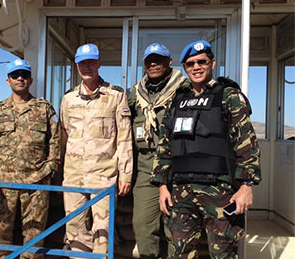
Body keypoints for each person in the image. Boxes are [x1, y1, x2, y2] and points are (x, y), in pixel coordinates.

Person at [151, 40, 261, 258]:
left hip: (219, 190)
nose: (196, 67)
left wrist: (246, 185)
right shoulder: (177, 99)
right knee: (179, 252)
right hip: (181, 192)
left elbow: (246, 142)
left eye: (202, 62)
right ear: (184, 68)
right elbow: (165, 145)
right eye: (190, 64)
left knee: (223, 253)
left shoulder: (229, 96)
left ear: (212, 63)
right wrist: (162, 185)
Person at [0, 59, 60, 259]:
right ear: (8, 81)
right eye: (15, 75)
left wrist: (51, 167)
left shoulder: (44, 109)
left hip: (36, 183)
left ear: (30, 80)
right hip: (3, 183)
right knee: (0, 234)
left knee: (34, 237)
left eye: (24, 75)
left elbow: (56, 141)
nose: (20, 79)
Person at [60, 43, 133, 255]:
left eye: (91, 62)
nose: (87, 67)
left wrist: (125, 174)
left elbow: (124, 138)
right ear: (76, 65)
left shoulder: (116, 96)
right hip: (73, 175)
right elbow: (63, 136)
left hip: (104, 176)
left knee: (103, 232)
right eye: (82, 63)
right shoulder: (68, 99)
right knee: (74, 228)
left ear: (99, 63)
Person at [129, 43, 187, 259]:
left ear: (169, 62)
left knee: (176, 229)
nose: (153, 64)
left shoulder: (185, 90)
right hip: (147, 169)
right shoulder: (136, 93)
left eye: (159, 59)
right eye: (149, 60)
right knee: (143, 225)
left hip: (179, 168)